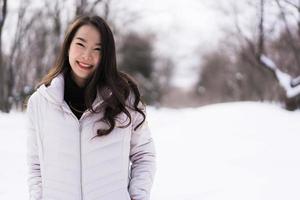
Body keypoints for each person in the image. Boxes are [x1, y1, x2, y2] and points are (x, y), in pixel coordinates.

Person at [26, 15, 156, 200]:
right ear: (68, 45)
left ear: (107, 56)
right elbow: (36, 164)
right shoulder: (40, 102)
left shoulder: (123, 99)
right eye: (80, 44)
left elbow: (144, 155)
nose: (87, 55)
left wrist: (138, 196)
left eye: (98, 49)